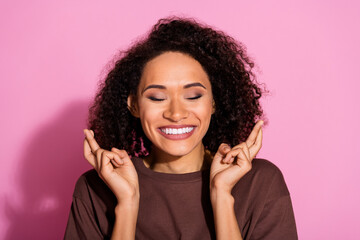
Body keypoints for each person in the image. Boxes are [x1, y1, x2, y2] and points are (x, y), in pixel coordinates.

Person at [64, 16, 298, 240]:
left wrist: (222, 196)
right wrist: (127, 203)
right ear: (134, 105)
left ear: (214, 102)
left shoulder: (260, 182)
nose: (176, 114)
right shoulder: (96, 188)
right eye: (157, 97)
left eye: (193, 96)